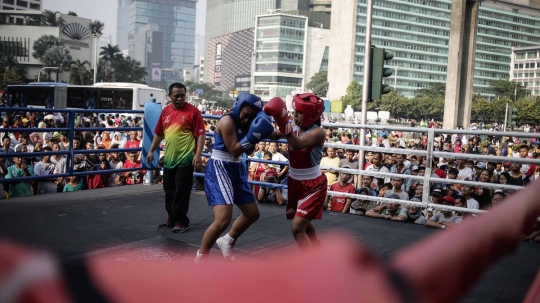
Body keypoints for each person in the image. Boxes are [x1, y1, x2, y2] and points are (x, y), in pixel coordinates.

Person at [195, 92, 273, 262]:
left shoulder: (247, 123)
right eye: (247, 113)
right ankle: (201, 257)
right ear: (239, 107)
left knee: (252, 213)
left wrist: (285, 129)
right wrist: (253, 135)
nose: (248, 117)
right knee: (223, 219)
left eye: (252, 114)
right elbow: (235, 149)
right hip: (220, 166)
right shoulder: (227, 121)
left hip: (236, 167)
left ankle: (227, 240)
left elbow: (249, 150)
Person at [265, 93, 327, 250]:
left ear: (310, 115)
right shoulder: (293, 126)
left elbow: (298, 144)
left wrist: (283, 122)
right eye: (294, 112)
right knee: (303, 222)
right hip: (295, 181)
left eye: (298, 113)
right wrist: (258, 123)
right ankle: (317, 246)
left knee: (297, 228)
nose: (294, 116)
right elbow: (273, 135)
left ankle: (309, 264)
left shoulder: (318, 132)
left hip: (313, 185)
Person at [147, 83, 205, 233]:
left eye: (182, 96)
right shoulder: (165, 112)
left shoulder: (194, 112)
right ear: (169, 96)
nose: (179, 99)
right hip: (169, 160)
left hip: (186, 160)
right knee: (169, 190)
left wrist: (198, 154)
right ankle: (171, 218)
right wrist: (151, 150)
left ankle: (181, 221)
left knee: (182, 192)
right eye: (176, 96)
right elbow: (159, 133)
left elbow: (200, 134)